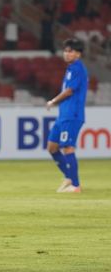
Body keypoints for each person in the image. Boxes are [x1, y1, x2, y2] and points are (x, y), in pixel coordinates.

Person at [46, 38, 88, 193]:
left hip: (72, 114)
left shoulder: (77, 68)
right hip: (63, 115)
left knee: (68, 147)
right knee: (52, 147)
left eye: (70, 51)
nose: (67, 53)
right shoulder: (70, 69)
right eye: (65, 50)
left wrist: (53, 101)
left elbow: (70, 91)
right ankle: (68, 176)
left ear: (78, 54)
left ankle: (75, 185)